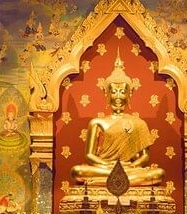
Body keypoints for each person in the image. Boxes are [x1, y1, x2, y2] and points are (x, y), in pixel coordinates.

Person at [70, 50, 164, 186]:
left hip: (129, 169)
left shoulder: (139, 123)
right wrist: (107, 165)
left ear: (129, 94)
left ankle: (100, 182)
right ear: (107, 94)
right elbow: (89, 155)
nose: (118, 96)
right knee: (78, 171)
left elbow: (145, 157)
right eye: (114, 92)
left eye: (122, 91)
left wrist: (132, 166)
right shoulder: (97, 122)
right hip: (105, 168)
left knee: (158, 173)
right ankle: (119, 181)